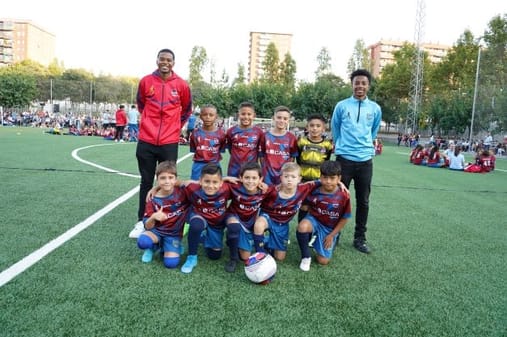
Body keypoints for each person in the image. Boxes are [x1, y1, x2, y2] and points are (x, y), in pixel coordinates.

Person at [129, 48, 192, 239]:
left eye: (169, 60)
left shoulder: (181, 85)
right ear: (157, 60)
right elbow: (141, 104)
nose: (165, 62)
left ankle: (170, 219)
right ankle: (142, 220)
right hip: (146, 139)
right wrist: (149, 122)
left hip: (169, 142)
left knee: (168, 183)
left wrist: (174, 127)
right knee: (146, 181)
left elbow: (186, 109)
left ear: (174, 63)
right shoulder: (146, 81)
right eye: (162, 59)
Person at [331, 69, 382, 254]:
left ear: (368, 86)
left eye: (363, 83)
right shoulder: (342, 106)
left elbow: (373, 131)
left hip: (365, 161)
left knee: (363, 201)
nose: (360, 86)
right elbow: (335, 128)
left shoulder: (375, 108)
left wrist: (365, 146)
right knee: (338, 199)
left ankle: (359, 238)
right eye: (357, 82)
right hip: (344, 159)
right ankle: (334, 235)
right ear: (352, 84)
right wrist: (341, 146)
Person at [252, 162, 319, 261]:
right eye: (286, 176)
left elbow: (321, 182)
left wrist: (340, 183)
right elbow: (254, 189)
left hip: (282, 225)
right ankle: (260, 254)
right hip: (268, 218)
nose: (289, 179)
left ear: (299, 179)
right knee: (259, 224)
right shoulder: (272, 191)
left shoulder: (304, 188)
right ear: (281, 177)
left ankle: (263, 241)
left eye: (293, 177)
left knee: (280, 258)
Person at [296, 161, 351, 271]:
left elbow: (345, 218)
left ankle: (327, 240)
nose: (328, 181)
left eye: (332, 178)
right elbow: (299, 189)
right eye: (325, 177)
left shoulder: (344, 195)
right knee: (302, 226)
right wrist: (304, 205)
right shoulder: (314, 189)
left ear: (339, 178)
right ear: (320, 177)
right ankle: (306, 256)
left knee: (323, 261)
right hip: (315, 220)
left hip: (329, 228)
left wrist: (331, 235)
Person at [180, 163, 233, 274]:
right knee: (196, 225)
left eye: (215, 182)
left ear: (221, 182)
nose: (210, 185)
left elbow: (246, 184)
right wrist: (155, 189)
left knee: (214, 255)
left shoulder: (227, 188)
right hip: (200, 217)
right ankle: (191, 257)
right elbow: (175, 183)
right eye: (207, 181)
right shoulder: (193, 188)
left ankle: (203, 238)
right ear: (200, 180)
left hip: (217, 223)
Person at [136, 161, 189, 268]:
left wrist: (223, 179)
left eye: (170, 177)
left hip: (173, 234)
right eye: (163, 178)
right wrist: (153, 217)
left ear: (175, 179)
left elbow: (197, 184)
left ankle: (166, 246)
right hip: (157, 232)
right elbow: (147, 226)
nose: (167, 181)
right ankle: (153, 247)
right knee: (143, 242)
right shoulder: (152, 198)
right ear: (157, 179)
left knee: (171, 264)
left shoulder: (183, 192)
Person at [223, 162, 266, 272]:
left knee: (246, 257)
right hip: (234, 217)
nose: (250, 181)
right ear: (240, 178)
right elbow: (214, 182)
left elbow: (277, 191)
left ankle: (235, 239)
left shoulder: (264, 191)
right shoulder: (235, 187)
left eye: (254, 178)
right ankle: (233, 258)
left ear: (260, 179)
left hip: (250, 222)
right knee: (234, 227)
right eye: (247, 177)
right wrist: (225, 178)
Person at [296, 113, 333, 222]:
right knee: (304, 206)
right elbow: (297, 160)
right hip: (303, 181)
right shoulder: (301, 141)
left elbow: (327, 163)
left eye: (318, 126)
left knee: (317, 206)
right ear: (307, 127)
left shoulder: (327, 145)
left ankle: (314, 230)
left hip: (318, 181)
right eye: (311, 125)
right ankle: (301, 232)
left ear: (323, 128)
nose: (315, 128)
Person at [259, 106, 298, 185]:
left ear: (288, 120)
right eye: (279, 117)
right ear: (273, 118)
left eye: (285, 118)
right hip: (267, 176)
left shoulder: (291, 138)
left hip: (284, 176)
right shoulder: (265, 136)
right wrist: (265, 170)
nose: (281, 121)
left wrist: (286, 172)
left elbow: (292, 159)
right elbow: (261, 157)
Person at [225, 101, 264, 177]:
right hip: (234, 169)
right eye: (243, 114)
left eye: (249, 114)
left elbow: (260, 152)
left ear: (254, 115)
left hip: (251, 171)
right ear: (238, 115)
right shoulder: (231, 131)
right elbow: (231, 149)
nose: (246, 117)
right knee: (233, 188)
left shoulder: (259, 132)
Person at [189, 104, 227, 180]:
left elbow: (221, 150)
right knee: (195, 187)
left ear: (216, 117)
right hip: (198, 165)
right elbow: (194, 149)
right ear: (200, 116)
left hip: (214, 165)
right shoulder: (195, 133)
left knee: (214, 188)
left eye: (211, 115)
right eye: (205, 114)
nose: (208, 117)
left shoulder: (221, 134)